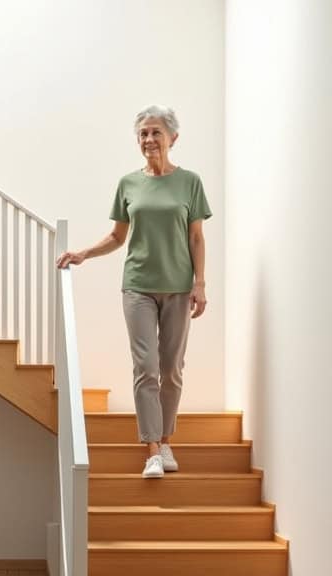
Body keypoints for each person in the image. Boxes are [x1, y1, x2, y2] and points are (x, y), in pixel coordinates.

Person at [56, 105, 212, 479]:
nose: (148, 140)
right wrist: (83, 254)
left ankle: (167, 439)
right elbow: (117, 237)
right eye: (143, 133)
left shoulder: (190, 182)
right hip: (138, 286)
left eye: (156, 132)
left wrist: (200, 283)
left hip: (178, 288)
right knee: (146, 368)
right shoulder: (128, 184)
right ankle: (153, 451)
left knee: (172, 369)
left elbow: (195, 236)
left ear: (172, 137)